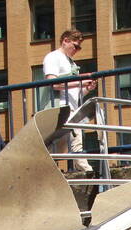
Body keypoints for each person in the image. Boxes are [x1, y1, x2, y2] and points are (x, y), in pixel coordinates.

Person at [43, 30, 97, 173]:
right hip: (61, 108)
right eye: (75, 46)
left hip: (71, 108)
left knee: (60, 146)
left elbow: (74, 92)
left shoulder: (71, 63)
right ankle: (88, 171)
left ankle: (41, 168)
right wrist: (80, 82)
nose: (77, 50)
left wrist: (87, 89)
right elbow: (53, 83)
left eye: (79, 48)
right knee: (75, 140)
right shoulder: (53, 57)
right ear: (65, 41)